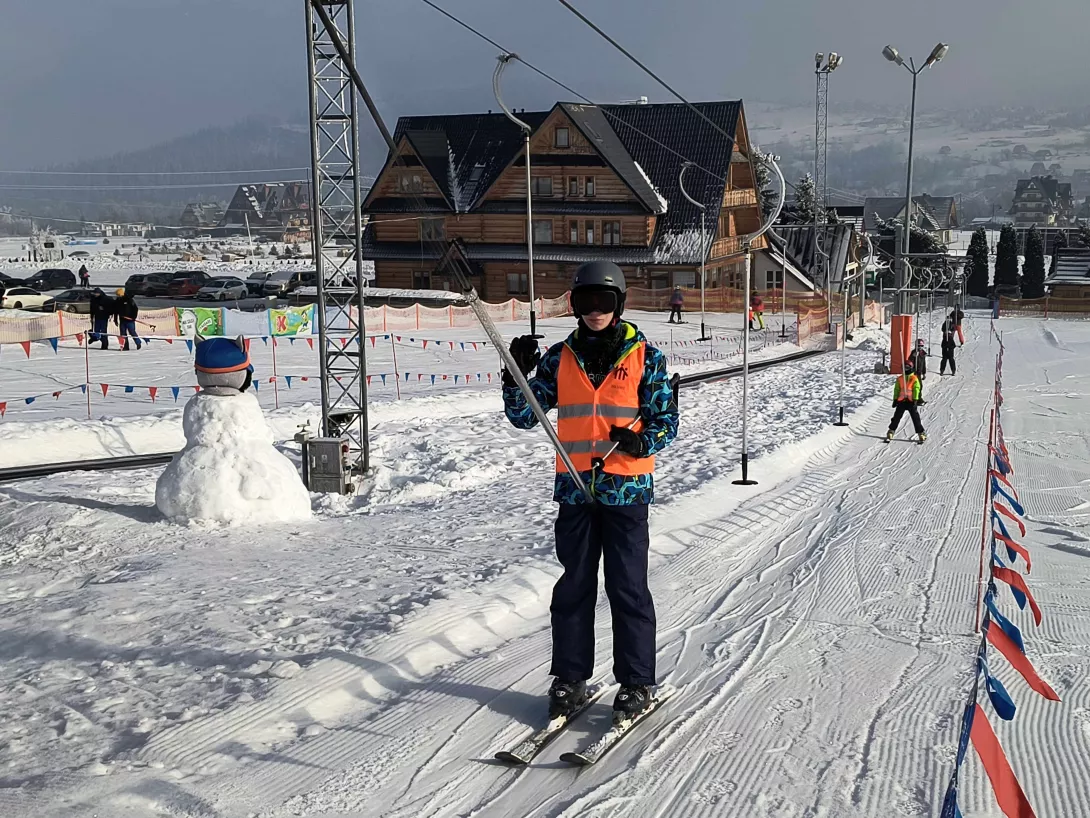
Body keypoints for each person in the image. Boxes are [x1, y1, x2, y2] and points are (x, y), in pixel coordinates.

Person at [502, 261, 679, 722]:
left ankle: (637, 682)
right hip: (577, 491)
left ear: (619, 304)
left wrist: (644, 439)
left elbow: (666, 420)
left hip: (626, 492)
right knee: (574, 588)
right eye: (585, 302)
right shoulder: (560, 358)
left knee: (627, 588)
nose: (595, 311)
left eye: (604, 302)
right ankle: (570, 678)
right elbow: (526, 416)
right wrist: (515, 379)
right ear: (575, 306)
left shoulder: (646, 357)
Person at [886, 359, 926, 443]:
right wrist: (895, 399)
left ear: (911, 368)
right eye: (904, 368)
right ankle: (891, 431)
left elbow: (916, 389)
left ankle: (921, 433)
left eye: (907, 368)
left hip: (911, 401)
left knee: (915, 418)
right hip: (902, 401)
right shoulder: (900, 378)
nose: (906, 369)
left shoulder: (914, 378)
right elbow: (897, 389)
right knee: (896, 417)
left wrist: (915, 399)